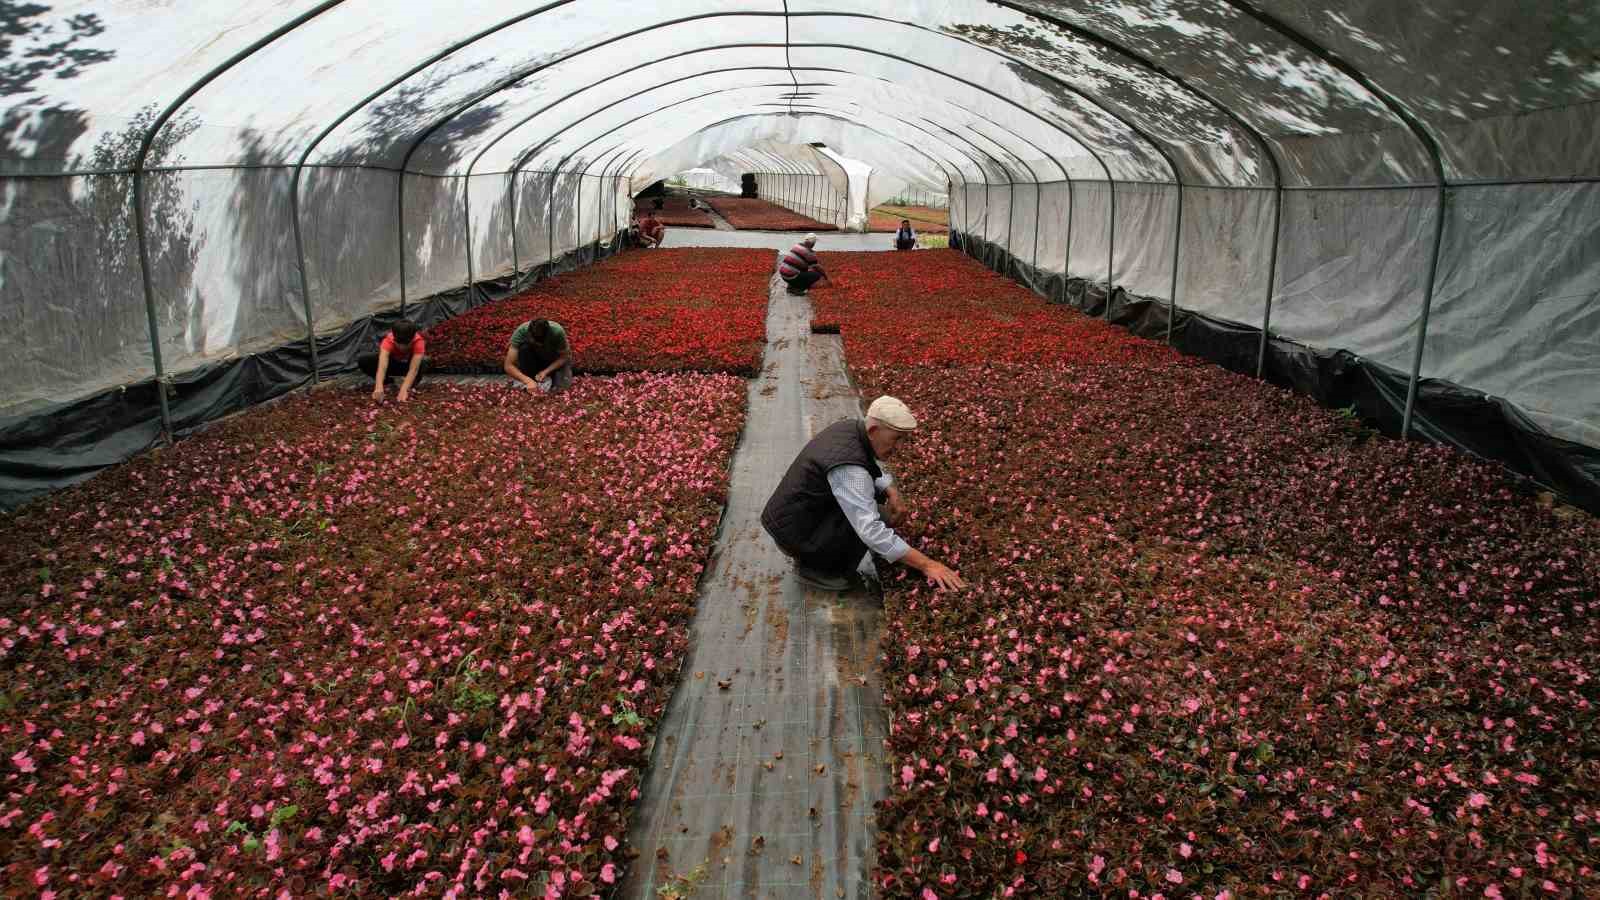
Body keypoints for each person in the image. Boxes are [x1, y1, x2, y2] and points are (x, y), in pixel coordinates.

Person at [761, 396, 965, 592]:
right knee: (873, 521)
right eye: (896, 439)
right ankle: (815, 569)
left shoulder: (852, 428)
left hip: (794, 519)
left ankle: (819, 554)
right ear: (874, 430)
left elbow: (865, 466)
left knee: (878, 509)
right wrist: (927, 564)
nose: (900, 448)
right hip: (794, 535)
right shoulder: (850, 469)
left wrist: (890, 490)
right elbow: (870, 530)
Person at [359, 318, 426, 402]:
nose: (402, 347)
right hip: (392, 365)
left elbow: (413, 369)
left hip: (407, 367)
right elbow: (382, 367)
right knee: (364, 360)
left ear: (412, 339)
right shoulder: (388, 341)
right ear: (394, 338)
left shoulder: (418, 342)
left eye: (406, 344)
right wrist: (378, 387)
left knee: (423, 363)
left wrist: (404, 390)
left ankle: (410, 384)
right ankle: (388, 381)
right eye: (399, 343)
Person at [504, 317, 573, 395]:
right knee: (524, 348)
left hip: (554, 360)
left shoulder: (557, 331)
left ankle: (548, 378)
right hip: (534, 359)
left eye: (540, 342)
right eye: (535, 341)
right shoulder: (521, 331)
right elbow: (508, 365)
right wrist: (528, 381)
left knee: (561, 390)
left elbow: (564, 357)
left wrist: (545, 371)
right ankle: (530, 379)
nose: (538, 344)